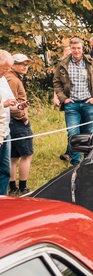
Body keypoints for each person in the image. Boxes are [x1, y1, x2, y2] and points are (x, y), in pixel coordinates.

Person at [54, 39, 93, 167]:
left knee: (88, 134)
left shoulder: (91, 62)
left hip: (87, 103)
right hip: (71, 104)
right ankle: (76, 163)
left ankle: (89, 161)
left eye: (78, 48)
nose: (76, 51)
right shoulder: (63, 63)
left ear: (83, 48)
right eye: (74, 48)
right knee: (73, 133)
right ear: (70, 48)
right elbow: (57, 82)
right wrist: (64, 99)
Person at [5, 55, 33, 194]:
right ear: (13, 65)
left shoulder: (9, 78)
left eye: (26, 64)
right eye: (21, 64)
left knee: (13, 157)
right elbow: (12, 103)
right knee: (27, 154)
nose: (25, 67)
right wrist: (23, 118)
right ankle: (22, 187)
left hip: (10, 122)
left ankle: (13, 187)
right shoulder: (13, 80)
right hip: (16, 122)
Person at [0, 51, 17, 196]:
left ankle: (3, 197)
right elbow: (3, 103)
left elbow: (11, 101)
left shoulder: (3, 79)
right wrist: (3, 104)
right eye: (4, 69)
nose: (7, 72)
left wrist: (18, 106)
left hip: (5, 130)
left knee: (5, 169)